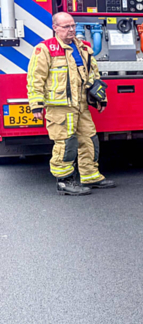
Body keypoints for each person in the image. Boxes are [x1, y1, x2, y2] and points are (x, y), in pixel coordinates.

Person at [27, 12, 115, 196]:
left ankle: (90, 175)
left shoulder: (83, 48)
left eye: (73, 26)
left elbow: (93, 76)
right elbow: (36, 78)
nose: (71, 30)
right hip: (59, 106)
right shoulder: (45, 49)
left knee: (89, 139)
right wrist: (36, 104)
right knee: (66, 143)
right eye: (66, 26)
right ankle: (64, 181)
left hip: (81, 105)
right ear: (55, 28)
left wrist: (100, 98)